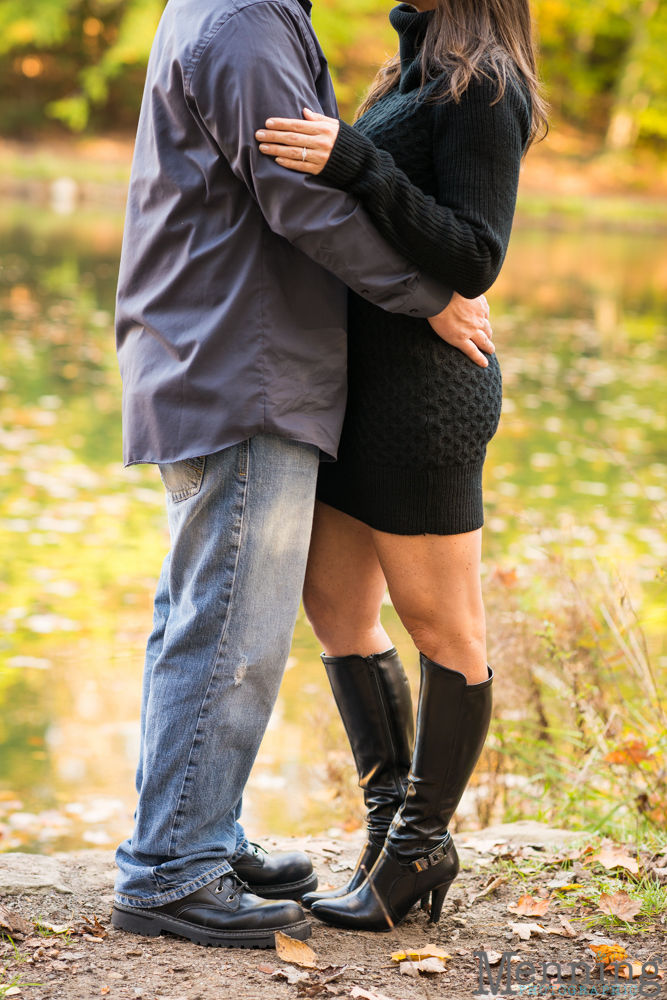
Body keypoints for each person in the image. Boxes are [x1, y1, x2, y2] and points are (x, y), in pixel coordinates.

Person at [110, 0, 491, 950]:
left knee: (201, 614)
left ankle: (194, 834)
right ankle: (171, 870)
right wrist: (425, 295)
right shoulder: (245, 20)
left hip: (222, 357)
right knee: (227, 629)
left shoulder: (231, 10)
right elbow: (298, 192)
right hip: (243, 364)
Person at [256, 0, 547, 930]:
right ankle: (389, 827)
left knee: (444, 628)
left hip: (423, 401)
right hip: (353, 392)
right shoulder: (411, 70)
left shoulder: (483, 86)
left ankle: (422, 846)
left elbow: (475, 253)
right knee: (336, 610)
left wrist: (358, 163)